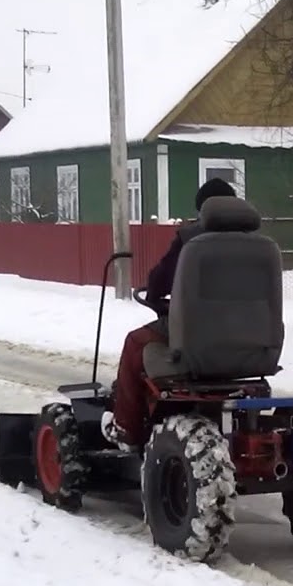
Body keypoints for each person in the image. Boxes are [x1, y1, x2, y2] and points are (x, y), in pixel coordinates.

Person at [101, 177, 238, 451]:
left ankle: (126, 428)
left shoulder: (192, 241)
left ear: (202, 211)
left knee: (135, 342)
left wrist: (155, 295)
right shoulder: (260, 245)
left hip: (197, 337)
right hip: (247, 341)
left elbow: (160, 282)